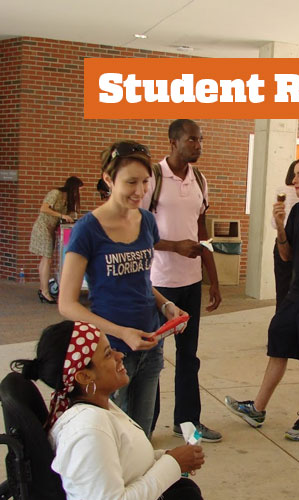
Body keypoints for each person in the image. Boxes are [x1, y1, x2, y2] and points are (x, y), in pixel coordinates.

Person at [58, 140, 185, 437]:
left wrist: (165, 305)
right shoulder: (87, 229)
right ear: (108, 179)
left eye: (145, 182)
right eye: (130, 182)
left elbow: (139, 280)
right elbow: (67, 304)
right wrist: (121, 333)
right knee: (118, 436)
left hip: (150, 342)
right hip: (111, 352)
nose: (139, 191)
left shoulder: (148, 221)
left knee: (142, 433)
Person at [11, 320, 204, 500]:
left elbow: (123, 461)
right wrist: (172, 464)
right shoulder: (88, 430)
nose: (120, 355)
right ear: (84, 377)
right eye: (108, 354)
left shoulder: (99, 407)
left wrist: (167, 458)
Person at [225, 157, 299, 441]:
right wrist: (280, 226)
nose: (294, 181)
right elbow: (287, 255)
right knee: (277, 344)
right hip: (295, 295)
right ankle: (258, 408)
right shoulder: (298, 211)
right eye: (293, 175)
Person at [141, 119, 222, 443]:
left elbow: (202, 234)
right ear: (173, 142)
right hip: (159, 285)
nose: (198, 145)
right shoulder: (153, 180)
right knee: (153, 359)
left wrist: (213, 279)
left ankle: (187, 423)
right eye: (192, 140)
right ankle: (145, 426)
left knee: (189, 357)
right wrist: (173, 246)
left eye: (200, 140)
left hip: (190, 283)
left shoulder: (201, 180)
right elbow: (138, 234)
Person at [29, 176, 83, 304]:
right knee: (47, 259)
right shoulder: (56, 193)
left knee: (47, 259)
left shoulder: (67, 199)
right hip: (43, 227)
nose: (78, 193)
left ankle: (44, 289)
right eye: (78, 190)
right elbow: (44, 208)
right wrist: (61, 215)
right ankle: (44, 291)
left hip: (50, 228)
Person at [272, 160, 299, 309]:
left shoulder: (281, 190)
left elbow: (274, 222)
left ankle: (281, 318)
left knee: (282, 287)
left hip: (282, 239)